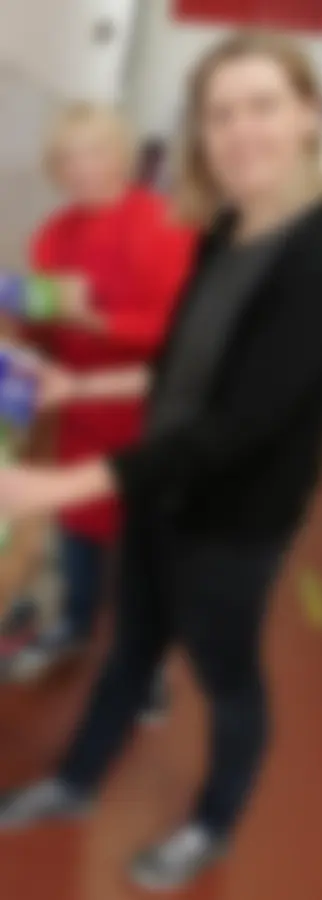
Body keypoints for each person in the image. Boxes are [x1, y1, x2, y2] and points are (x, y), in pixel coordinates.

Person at [0, 31, 322, 892]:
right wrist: (76, 391)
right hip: (157, 485)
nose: (240, 130)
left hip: (234, 517)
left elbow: (240, 422)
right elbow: (180, 368)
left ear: (306, 117)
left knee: (224, 673)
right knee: (130, 647)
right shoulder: (222, 232)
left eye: (261, 107)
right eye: (221, 114)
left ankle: (209, 826)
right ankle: (71, 782)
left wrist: (66, 481)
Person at [0, 103, 193, 694]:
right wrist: (18, 328)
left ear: (120, 155)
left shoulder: (163, 224)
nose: (81, 169)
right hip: (78, 416)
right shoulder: (54, 235)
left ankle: (149, 661)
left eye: (94, 153)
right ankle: (78, 625)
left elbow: (175, 337)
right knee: (80, 532)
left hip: (149, 416)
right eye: (67, 158)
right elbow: (42, 330)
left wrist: (97, 319)